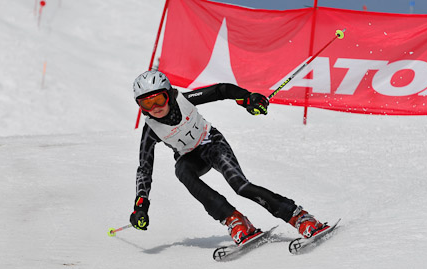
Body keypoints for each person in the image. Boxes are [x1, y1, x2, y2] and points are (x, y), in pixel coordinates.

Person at [129, 70, 329, 246]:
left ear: (169, 95)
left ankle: (299, 216)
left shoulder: (184, 99)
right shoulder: (151, 130)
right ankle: (234, 220)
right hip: (191, 158)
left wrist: (247, 99)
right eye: (146, 103)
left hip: (212, 144)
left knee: (240, 186)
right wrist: (141, 205)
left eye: (158, 99)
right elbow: (144, 169)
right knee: (181, 171)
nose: (155, 107)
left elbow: (221, 90)